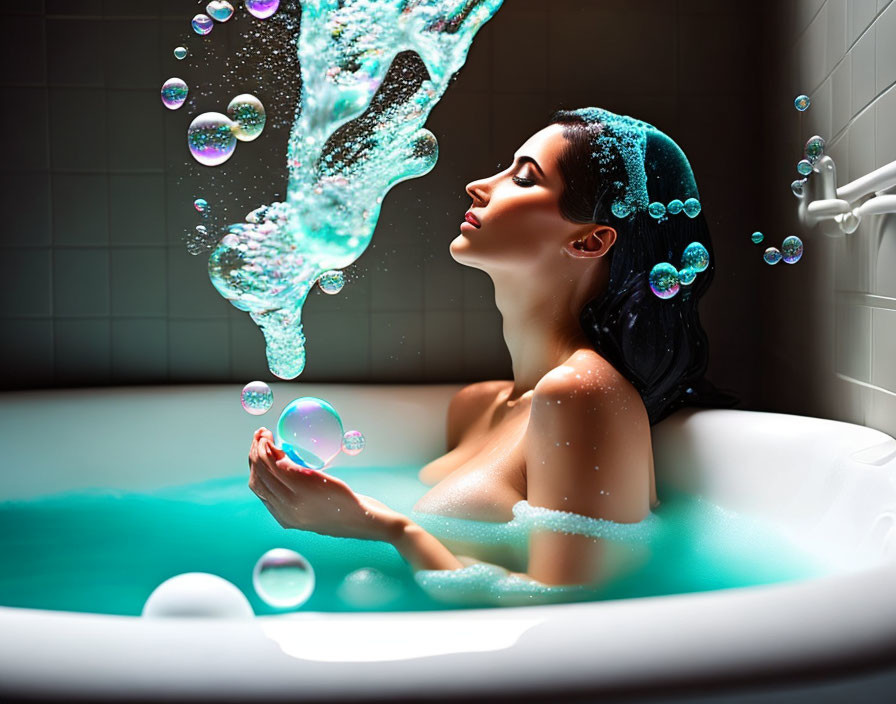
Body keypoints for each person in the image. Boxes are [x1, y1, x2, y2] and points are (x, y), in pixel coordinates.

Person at [247, 107, 734, 590]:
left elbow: (570, 620)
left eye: (523, 178)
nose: (479, 184)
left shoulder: (584, 394)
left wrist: (383, 527)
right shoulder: (475, 406)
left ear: (589, 241)